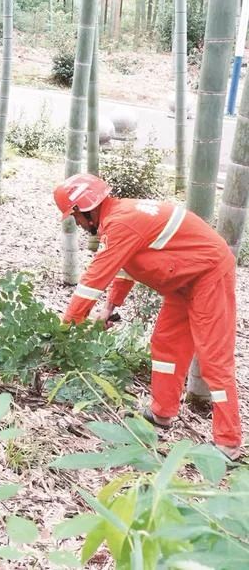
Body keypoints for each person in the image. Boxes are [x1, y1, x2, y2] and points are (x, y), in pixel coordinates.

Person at [54, 173, 243, 461]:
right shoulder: (120, 217)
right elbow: (125, 266)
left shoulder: (122, 223)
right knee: (165, 345)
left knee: (214, 359)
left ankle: (227, 444)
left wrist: (67, 330)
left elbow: (93, 281)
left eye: (74, 218)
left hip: (208, 276)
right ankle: (162, 413)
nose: (77, 225)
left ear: (85, 210)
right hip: (184, 281)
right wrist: (110, 308)